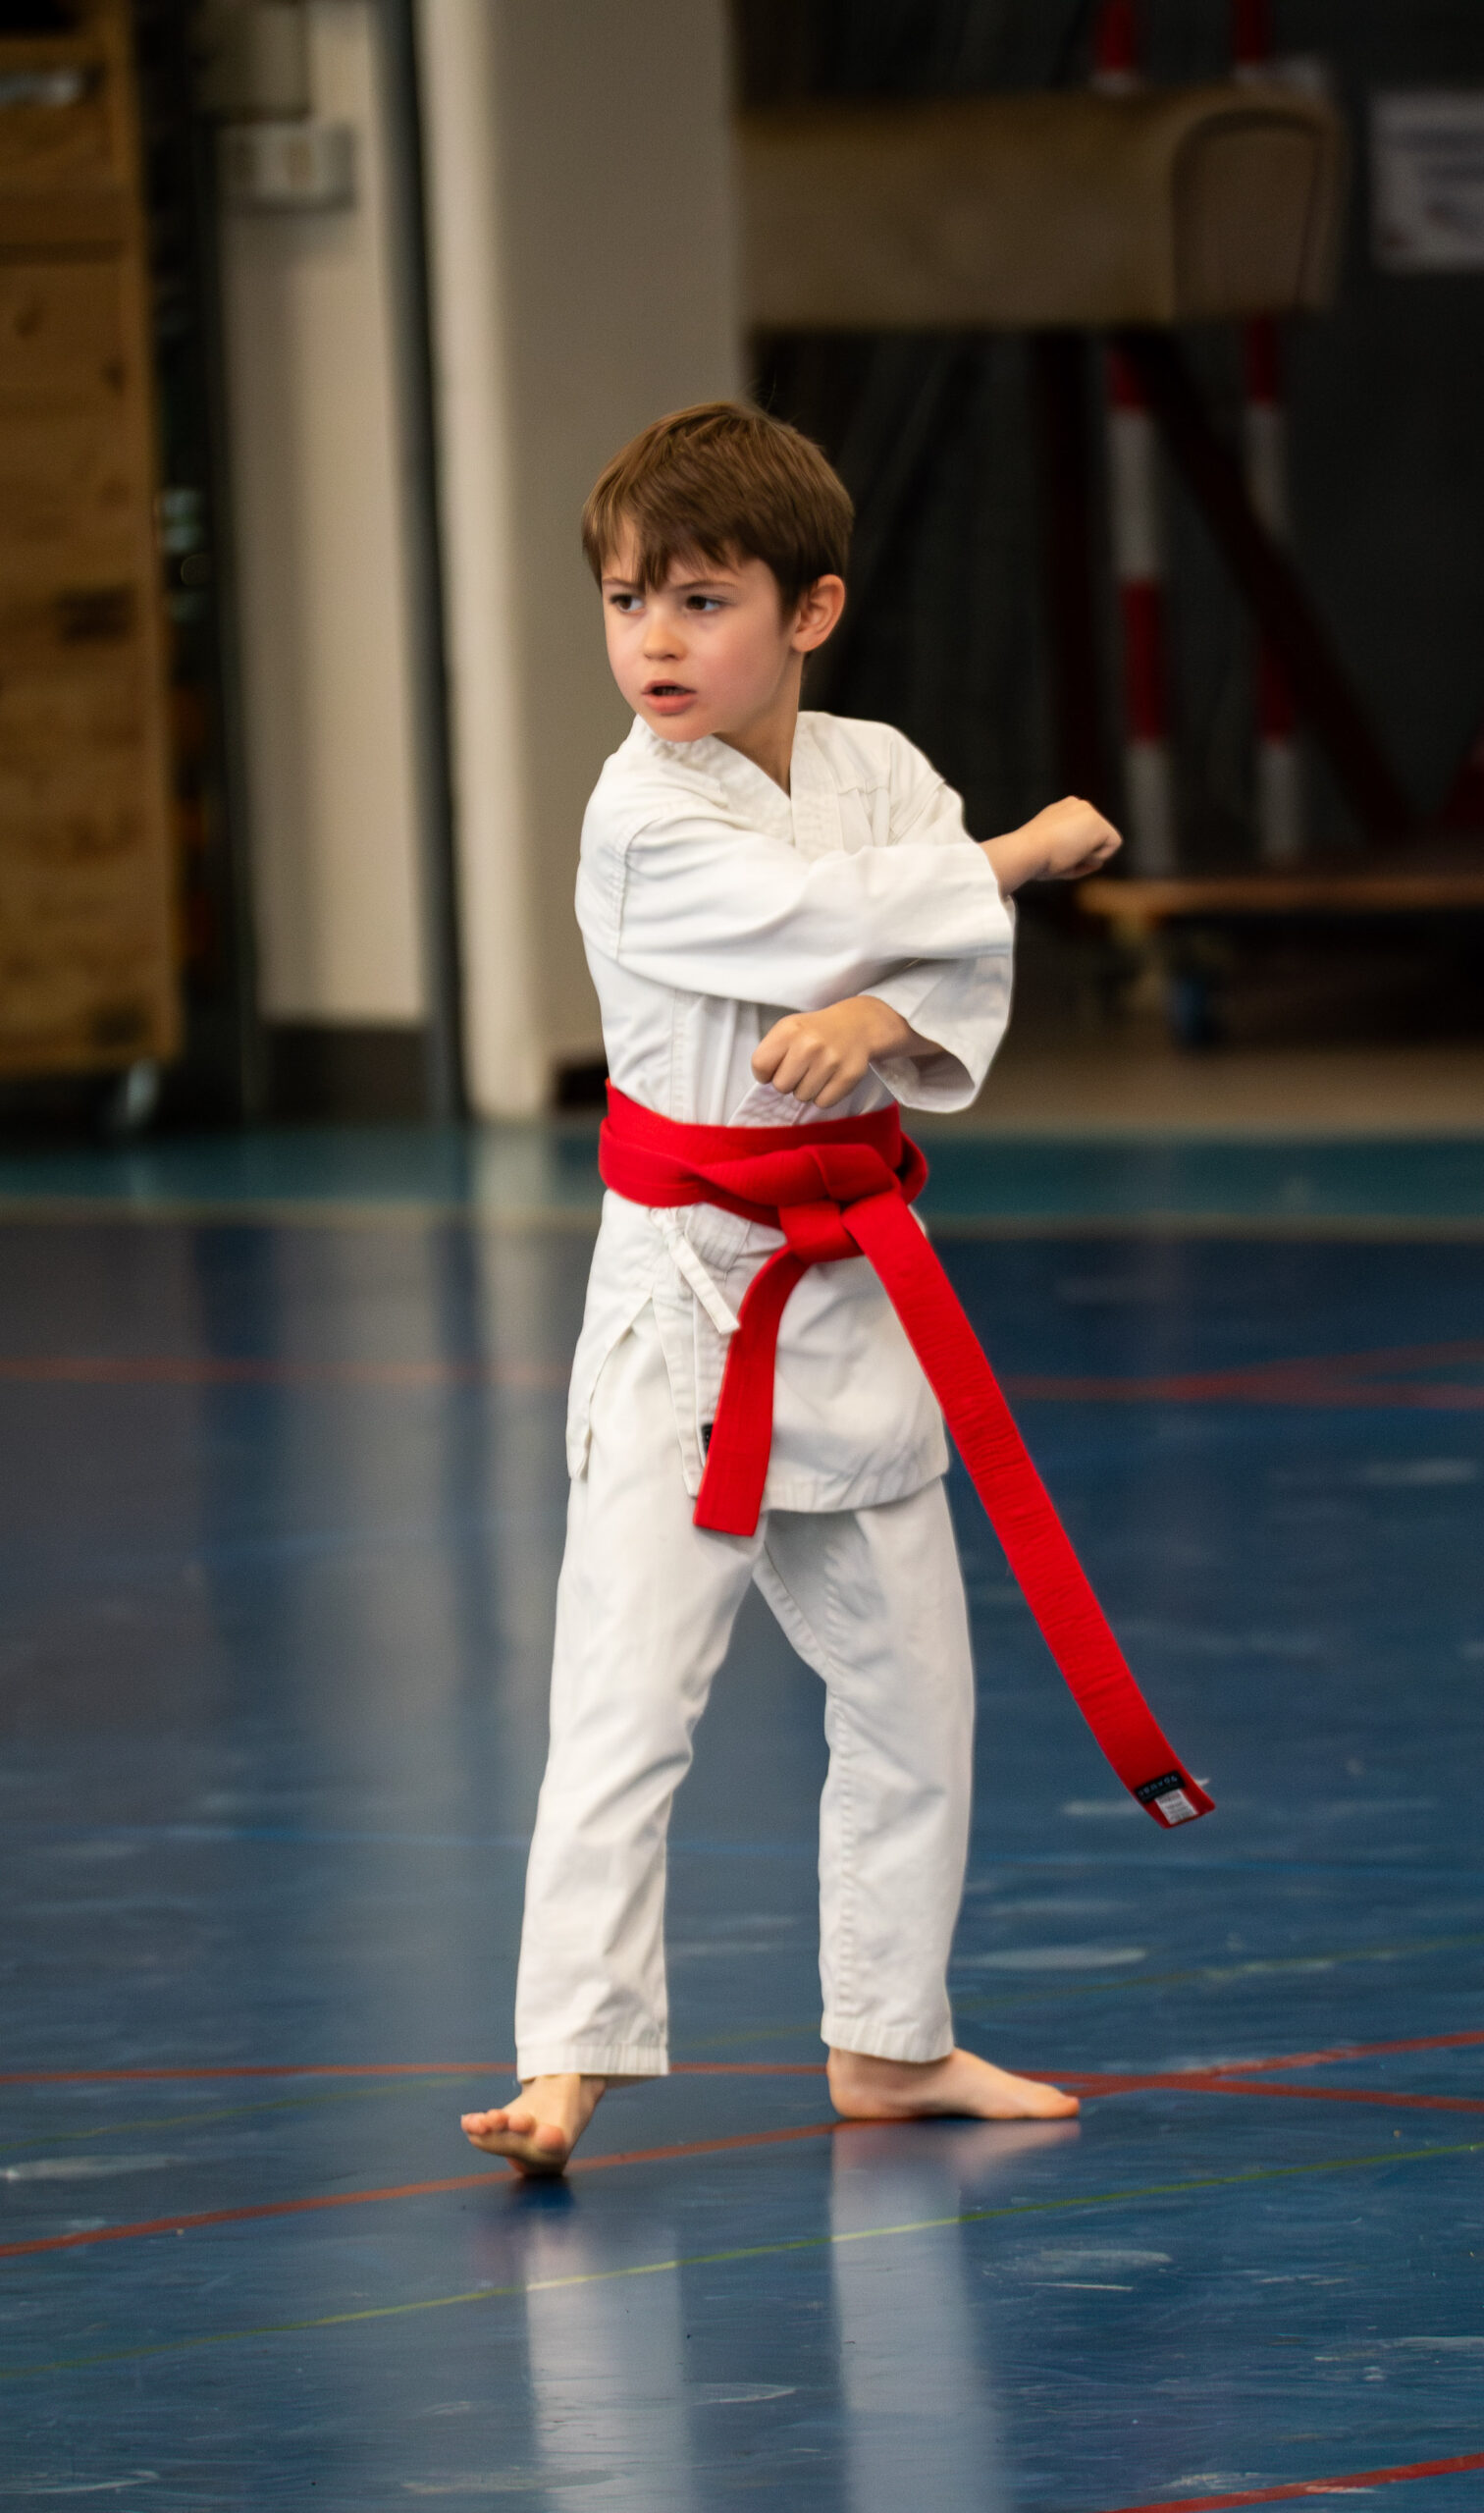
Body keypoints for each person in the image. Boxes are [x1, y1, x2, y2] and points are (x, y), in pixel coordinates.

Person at [462, 401, 1119, 2176]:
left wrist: (886, 1017)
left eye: (701, 601)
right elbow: (815, 918)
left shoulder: (881, 771)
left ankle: (892, 2044)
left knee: (916, 1701)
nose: (654, 643)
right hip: (689, 1306)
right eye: (626, 603)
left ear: (809, 611)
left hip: (853, 1300)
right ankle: (567, 2059)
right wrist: (1014, 859)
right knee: (630, 1695)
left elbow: (943, 973)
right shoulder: (637, 814)